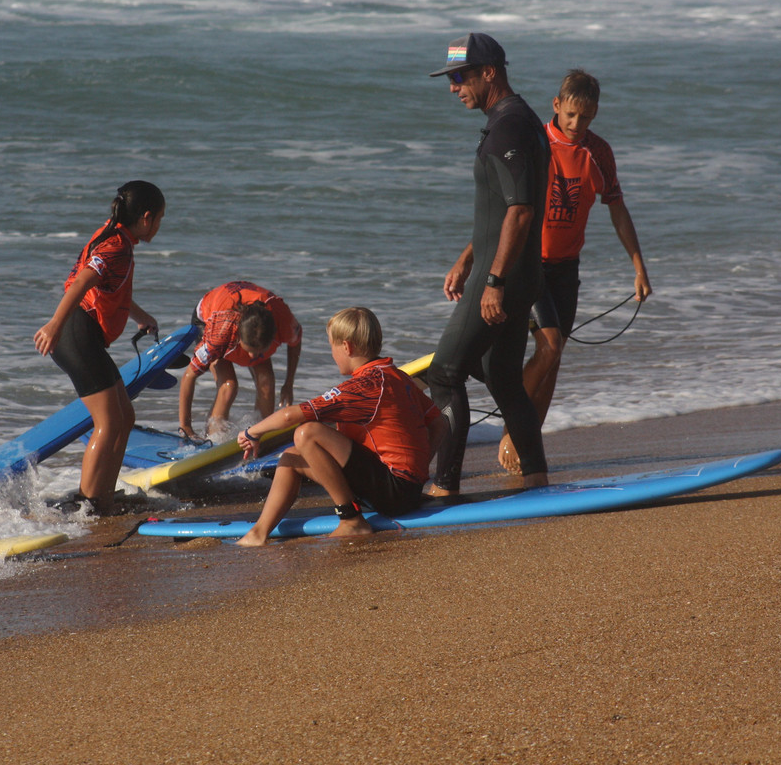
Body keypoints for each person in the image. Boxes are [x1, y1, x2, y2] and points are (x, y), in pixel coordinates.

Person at [497, 70, 653, 473]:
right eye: (569, 116)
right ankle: (513, 432)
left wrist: (638, 266)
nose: (576, 125)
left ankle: (529, 446)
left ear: (595, 114)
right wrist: (472, 262)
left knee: (555, 356)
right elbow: (505, 211)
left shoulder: (598, 152)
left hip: (567, 268)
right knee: (549, 344)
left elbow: (616, 208)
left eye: (585, 118)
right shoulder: (537, 143)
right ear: (556, 106)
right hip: (529, 264)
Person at [422, 32, 551, 500]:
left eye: (460, 77)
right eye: (451, 78)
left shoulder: (509, 128)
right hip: (519, 274)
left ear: (489, 73)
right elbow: (501, 212)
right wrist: (466, 258)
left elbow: (520, 212)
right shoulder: (521, 121)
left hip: (505, 277)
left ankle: (445, 486)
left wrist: (492, 279)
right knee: (502, 378)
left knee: (444, 373)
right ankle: (536, 476)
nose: (454, 87)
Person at [235, 307, 444, 546]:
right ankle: (258, 534)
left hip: (393, 493)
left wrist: (252, 432)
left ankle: (351, 519)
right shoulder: (398, 377)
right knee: (291, 458)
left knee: (307, 433)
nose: (332, 353)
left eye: (331, 346)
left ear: (347, 347)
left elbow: (291, 416)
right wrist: (417, 472)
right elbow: (438, 423)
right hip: (404, 490)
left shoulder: (365, 386)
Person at [34, 181, 163, 515]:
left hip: (81, 335)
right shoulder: (116, 246)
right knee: (108, 422)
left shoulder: (113, 235)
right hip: (76, 335)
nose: (159, 227)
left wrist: (139, 314)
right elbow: (82, 282)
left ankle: (104, 497)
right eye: (160, 219)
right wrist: (55, 325)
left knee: (124, 416)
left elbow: (108, 288)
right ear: (147, 218)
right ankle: (88, 503)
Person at [178, 280, 301, 442]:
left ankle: (260, 436)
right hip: (208, 317)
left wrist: (289, 383)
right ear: (237, 337)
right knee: (229, 386)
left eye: (258, 352)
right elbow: (189, 376)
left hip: (254, 314)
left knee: (266, 381)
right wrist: (186, 427)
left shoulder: (283, 321)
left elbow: (296, 342)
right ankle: (213, 440)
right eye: (248, 350)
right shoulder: (220, 335)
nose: (251, 358)